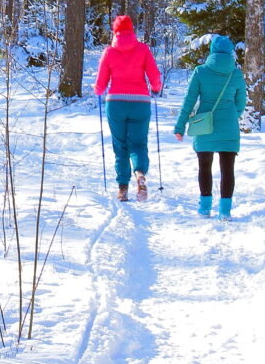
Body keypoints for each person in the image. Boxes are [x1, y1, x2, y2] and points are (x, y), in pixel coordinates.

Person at [173, 35, 246, 220]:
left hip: (204, 126)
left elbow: (189, 101)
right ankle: (225, 211)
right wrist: (231, 115)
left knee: (204, 167)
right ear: (230, 52)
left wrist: (180, 126)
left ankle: (205, 208)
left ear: (212, 50)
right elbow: (241, 103)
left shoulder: (201, 72)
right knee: (227, 169)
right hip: (229, 127)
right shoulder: (236, 74)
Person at [94, 15, 162, 202]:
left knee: (120, 145)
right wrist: (156, 89)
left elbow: (100, 83)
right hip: (140, 102)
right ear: (132, 30)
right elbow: (154, 76)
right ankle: (140, 174)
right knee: (138, 143)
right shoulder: (143, 49)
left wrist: (98, 90)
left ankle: (122, 188)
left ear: (114, 31)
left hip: (116, 103)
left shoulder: (109, 52)